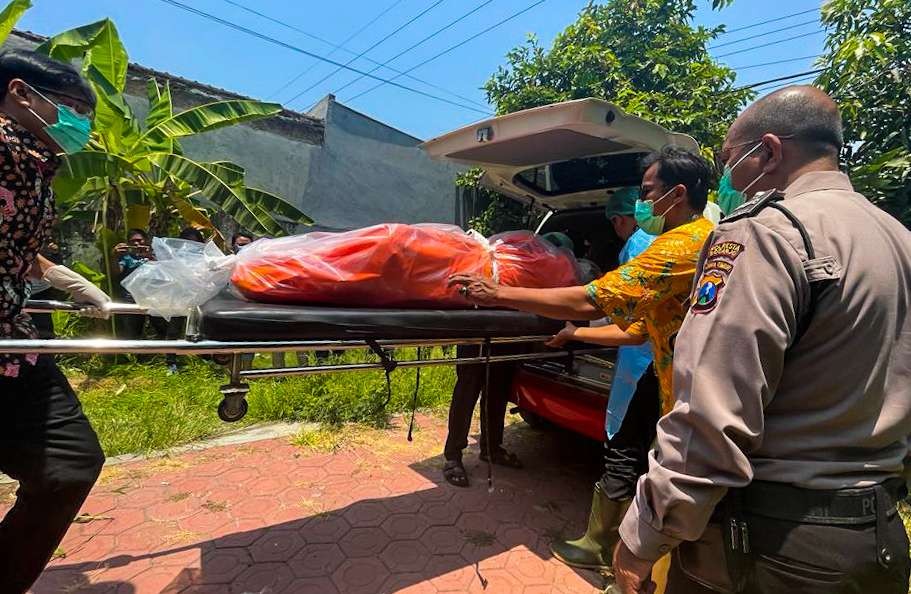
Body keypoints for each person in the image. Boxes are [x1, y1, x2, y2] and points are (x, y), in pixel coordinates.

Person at [612, 86, 911, 594]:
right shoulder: (897, 239)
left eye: (731, 160)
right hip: (876, 536)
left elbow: (711, 415)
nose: (728, 178)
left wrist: (644, 535)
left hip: (770, 544)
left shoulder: (766, 234)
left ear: (768, 152)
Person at [450, 147, 715, 571]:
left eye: (647, 192)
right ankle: (610, 550)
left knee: (658, 476)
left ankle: (633, 569)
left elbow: (594, 298)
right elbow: (640, 328)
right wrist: (576, 335)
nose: (642, 202)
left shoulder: (680, 247)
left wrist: (497, 293)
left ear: (677, 194)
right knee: (640, 462)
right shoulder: (693, 239)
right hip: (665, 379)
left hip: (684, 391)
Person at [0, 48, 106, 593]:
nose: (81, 125)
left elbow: (21, 246)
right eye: (71, 108)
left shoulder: (36, 166)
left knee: (68, 463)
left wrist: (66, 279)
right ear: (21, 93)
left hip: (13, 339)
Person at [546, 187, 660, 570]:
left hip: (639, 367)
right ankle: (629, 549)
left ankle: (601, 548)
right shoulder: (671, 243)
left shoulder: (636, 247)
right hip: (661, 368)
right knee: (646, 455)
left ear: (618, 220)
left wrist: (576, 331)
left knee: (623, 452)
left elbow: (619, 314)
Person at [440, 231, 581, 487]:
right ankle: (453, 456)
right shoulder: (510, 256)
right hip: (478, 327)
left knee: (497, 391)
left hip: (508, 330)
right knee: (468, 390)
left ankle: (492, 447)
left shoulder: (544, 267)